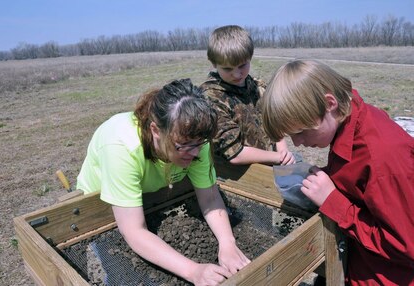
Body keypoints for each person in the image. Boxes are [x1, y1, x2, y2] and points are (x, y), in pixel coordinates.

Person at [76, 79, 250, 285]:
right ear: (156, 131)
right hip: (105, 208)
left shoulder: (194, 138)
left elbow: (210, 198)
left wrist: (227, 244)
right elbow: (133, 230)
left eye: (199, 144)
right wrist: (193, 271)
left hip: (150, 193)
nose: (195, 152)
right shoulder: (121, 147)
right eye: (184, 145)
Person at [262, 59, 414, 285]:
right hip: (358, 261)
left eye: (302, 131)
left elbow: (406, 246)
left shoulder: (382, 158)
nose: (298, 143)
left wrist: (334, 202)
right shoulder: (349, 119)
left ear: (329, 103)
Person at [199, 25, 296, 166]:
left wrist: (283, 152)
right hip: (236, 176)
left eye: (242, 66)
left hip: (273, 164)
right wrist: (277, 157)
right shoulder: (210, 98)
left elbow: (275, 124)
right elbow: (234, 153)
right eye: (228, 69)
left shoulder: (258, 87)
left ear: (250, 58)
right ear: (214, 63)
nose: (237, 74)